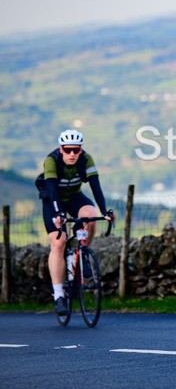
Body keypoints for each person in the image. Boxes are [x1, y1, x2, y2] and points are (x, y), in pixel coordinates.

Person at [39, 129, 114, 316]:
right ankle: (58, 295)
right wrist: (58, 214)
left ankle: (80, 254)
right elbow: (52, 189)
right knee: (59, 242)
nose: (72, 154)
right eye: (67, 150)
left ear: (81, 150)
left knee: (90, 215)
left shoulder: (86, 160)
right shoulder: (52, 160)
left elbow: (96, 187)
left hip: (74, 197)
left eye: (76, 150)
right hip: (52, 199)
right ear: (61, 149)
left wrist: (105, 212)